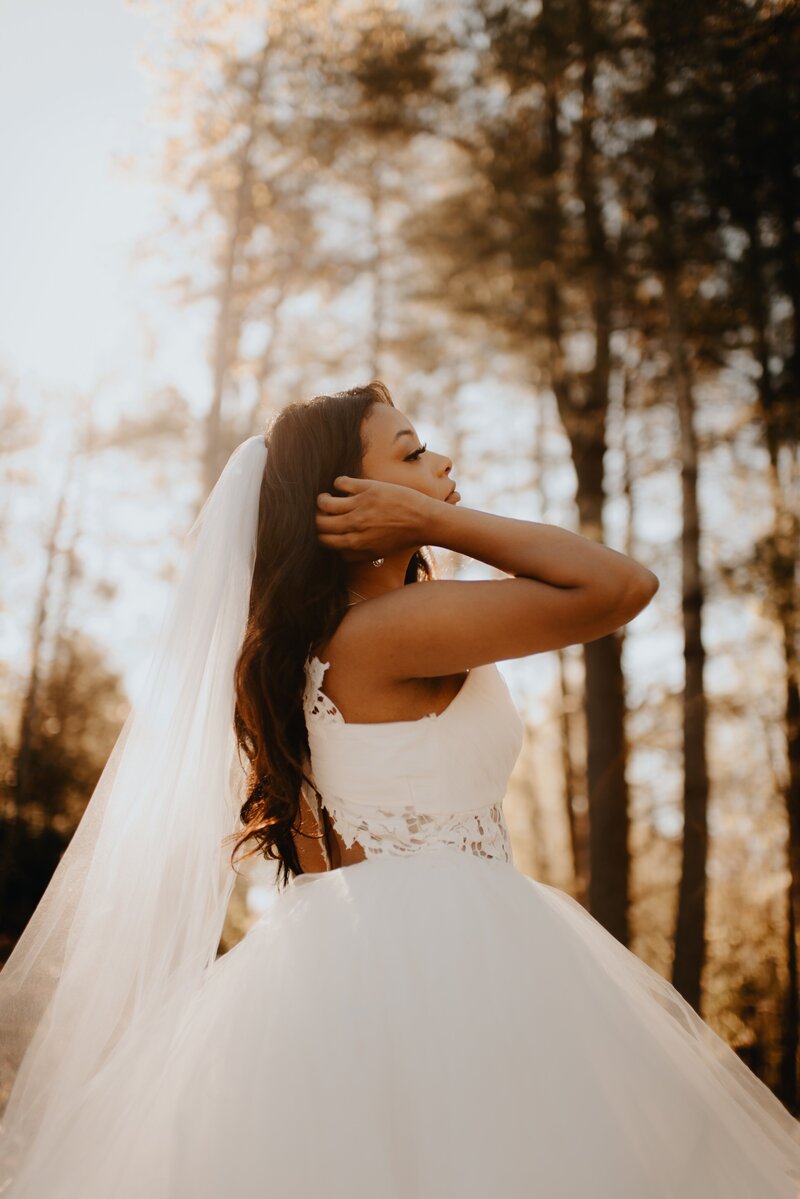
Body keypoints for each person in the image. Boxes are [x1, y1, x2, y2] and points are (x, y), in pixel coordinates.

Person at [0, 379, 799, 1198]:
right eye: (412, 453)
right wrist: (436, 520)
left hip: (338, 958)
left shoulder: (314, 644)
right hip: (451, 958)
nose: (442, 460)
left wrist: (422, 515)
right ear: (347, 499)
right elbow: (620, 585)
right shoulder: (387, 631)